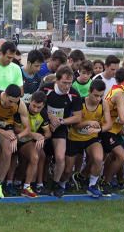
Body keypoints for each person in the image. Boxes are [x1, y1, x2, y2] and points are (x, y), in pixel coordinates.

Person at [44, 65, 83, 198]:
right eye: (64, 83)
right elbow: (37, 105)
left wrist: (60, 121)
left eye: (69, 83)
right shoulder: (46, 88)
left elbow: (78, 117)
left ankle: (56, 184)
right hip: (43, 126)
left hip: (60, 128)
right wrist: (50, 118)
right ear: (57, 80)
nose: (67, 86)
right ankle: (38, 182)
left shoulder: (74, 94)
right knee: (42, 156)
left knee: (60, 157)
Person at [64, 79, 107, 198]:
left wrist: (99, 130)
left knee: (99, 159)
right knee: (67, 170)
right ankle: (62, 184)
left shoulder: (103, 104)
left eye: (101, 96)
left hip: (91, 138)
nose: (98, 98)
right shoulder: (80, 102)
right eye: (96, 95)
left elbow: (108, 124)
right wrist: (88, 122)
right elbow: (74, 125)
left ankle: (92, 186)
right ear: (89, 91)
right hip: (74, 138)